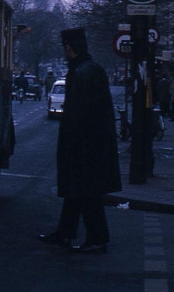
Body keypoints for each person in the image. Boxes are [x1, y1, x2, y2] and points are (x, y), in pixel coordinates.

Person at [38, 28, 121, 254]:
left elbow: (80, 113)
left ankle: (97, 238)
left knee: (86, 192)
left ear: (69, 48)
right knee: (77, 191)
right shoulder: (90, 69)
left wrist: (73, 143)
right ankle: (65, 232)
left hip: (84, 145)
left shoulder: (82, 73)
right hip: (91, 143)